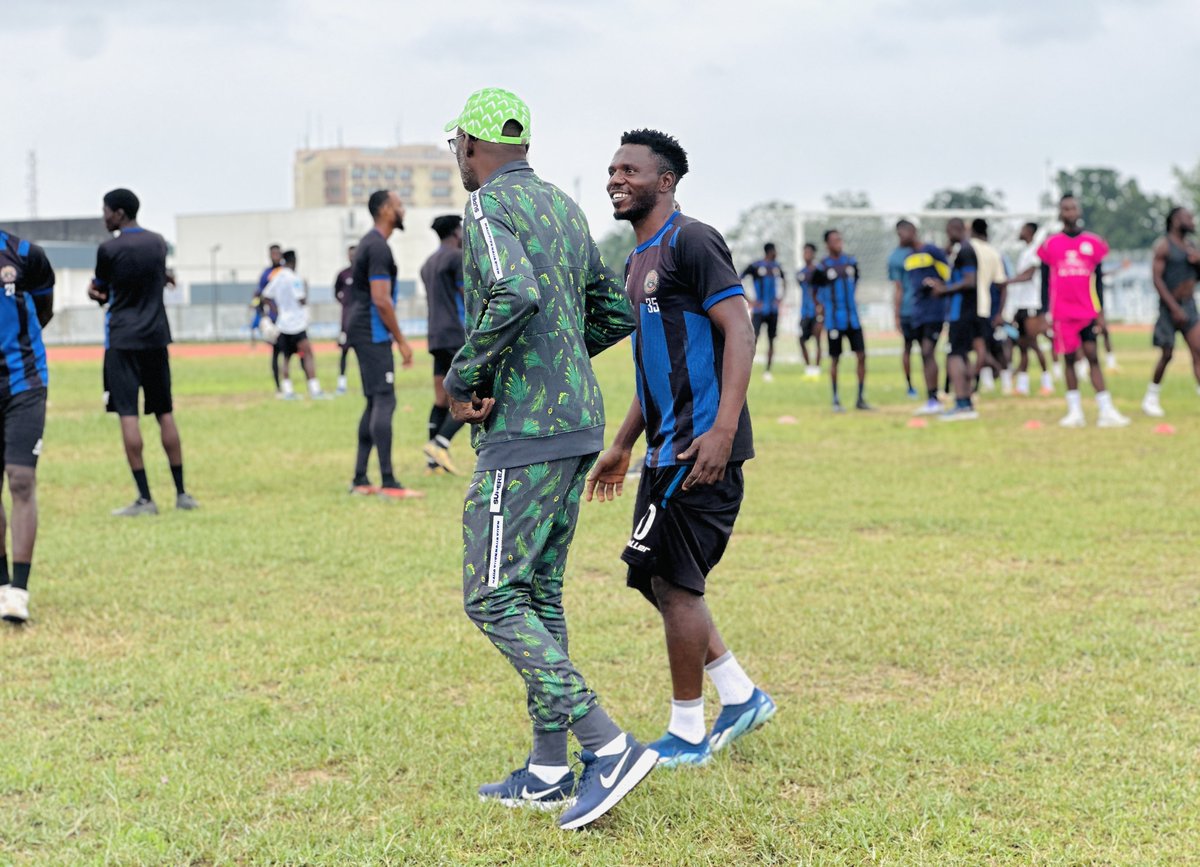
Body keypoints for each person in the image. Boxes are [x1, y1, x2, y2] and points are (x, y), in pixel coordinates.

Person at [443, 88, 649, 831]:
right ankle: (549, 769)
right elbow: (613, 310)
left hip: (524, 432)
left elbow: (513, 290)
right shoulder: (562, 206)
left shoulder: (485, 207)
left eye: (456, 147)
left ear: (471, 144)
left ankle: (608, 745)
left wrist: (466, 375)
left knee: (493, 595)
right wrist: (554, 361)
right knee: (538, 594)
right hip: (578, 422)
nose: (458, 158)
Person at [589, 127, 774, 772]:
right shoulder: (636, 259)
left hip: (701, 448)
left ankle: (688, 733)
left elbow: (739, 331)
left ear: (665, 181)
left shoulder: (692, 240)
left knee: (674, 582)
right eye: (612, 170)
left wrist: (722, 431)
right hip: (663, 450)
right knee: (654, 576)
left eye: (630, 171)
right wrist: (622, 444)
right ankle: (740, 695)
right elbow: (653, 365)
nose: (616, 179)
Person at [89, 189, 198, 516]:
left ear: (119, 213)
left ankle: (145, 498)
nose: (104, 217)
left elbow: (101, 288)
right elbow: (158, 279)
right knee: (165, 412)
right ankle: (181, 494)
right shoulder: (158, 243)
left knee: (128, 414)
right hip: (155, 337)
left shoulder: (108, 249)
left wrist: (95, 294)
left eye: (106, 211)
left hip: (122, 339)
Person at [346, 190, 421, 497]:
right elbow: (381, 299)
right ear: (386, 210)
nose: (403, 210)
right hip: (372, 330)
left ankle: (360, 479)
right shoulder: (377, 246)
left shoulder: (371, 243)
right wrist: (401, 340)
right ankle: (388, 482)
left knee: (375, 401)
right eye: (399, 205)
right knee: (385, 400)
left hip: (363, 329)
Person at [1037, 195, 1130, 428]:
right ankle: (1074, 411)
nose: (1070, 212)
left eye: (1073, 208)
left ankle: (1106, 410)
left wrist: (1101, 311)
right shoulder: (1050, 244)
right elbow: (1044, 282)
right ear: (1060, 213)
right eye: (1065, 209)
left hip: (1087, 311)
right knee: (1069, 359)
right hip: (1062, 313)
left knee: (1092, 356)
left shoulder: (1093, 242)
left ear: (1079, 211)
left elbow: (1098, 282)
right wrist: (1044, 313)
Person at [0, 231, 55, 623]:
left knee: (20, 479)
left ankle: (19, 591)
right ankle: (2, 584)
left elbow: (44, 308)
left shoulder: (24, 254)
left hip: (24, 381)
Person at [421, 215, 467, 475]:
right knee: (472, 395)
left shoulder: (427, 263)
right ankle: (440, 443)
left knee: (440, 399)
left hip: (435, 337)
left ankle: (433, 462)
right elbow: (466, 296)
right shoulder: (456, 258)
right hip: (455, 335)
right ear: (455, 232)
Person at [1143, 206, 1200, 417]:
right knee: (1167, 354)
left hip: (1189, 306)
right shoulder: (1164, 246)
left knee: (1198, 350)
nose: (1192, 221)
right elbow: (1157, 280)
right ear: (1176, 220)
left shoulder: (1191, 246)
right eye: (1188, 217)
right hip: (1169, 308)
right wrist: (1174, 308)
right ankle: (1151, 397)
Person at [926, 218, 980, 421]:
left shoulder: (965, 251)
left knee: (954, 356)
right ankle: (966, 402)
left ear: (952, 230)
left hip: (961, 312)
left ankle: (962, 403)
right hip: (964, 312)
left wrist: (944, 290)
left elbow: (969, 281)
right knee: (962, 355)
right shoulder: (961, 250)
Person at [812, 230, 870, 412]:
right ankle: (836, 399)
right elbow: (813, 290)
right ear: (827, 244)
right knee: (835, 359)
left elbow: (855, 282)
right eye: (835, 240)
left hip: (853, 319)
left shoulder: (851, 262)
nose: (839, 242)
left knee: (862, 356)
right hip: (834, 321)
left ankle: (860, 398)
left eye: (840, 239)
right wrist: (821, 308)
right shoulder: (822, 267)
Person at [261, 250, 326, 400]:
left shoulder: (277, 277)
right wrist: (306, 289)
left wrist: (276, 310)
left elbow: (265, 296)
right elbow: (301, 300)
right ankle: (314, 389)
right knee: (307, 354)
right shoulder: (295, 278)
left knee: (286, 357)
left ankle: (288, 390)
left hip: (283, 323)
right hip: (297, 324)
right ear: (294, 261)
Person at [902, 222, 951, 415]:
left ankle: (936, 397)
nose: (900, 238)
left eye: (902, 233)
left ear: (913, 231)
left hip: (935, 311)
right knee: (924, 354)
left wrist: (939, 284)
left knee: (928, 350)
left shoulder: (932, 251)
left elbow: (948, 275)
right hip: (918, 312)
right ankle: (932, 398)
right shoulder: (908, 258)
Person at [1004, 222, 1054, 396]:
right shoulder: (1025, 251)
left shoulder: (1035, 251)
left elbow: (1029, 274)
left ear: (1030, 232)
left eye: (1023, 229)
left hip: (1032, 304)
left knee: (1034, 343)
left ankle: (1047, 382)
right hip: (1021, 304)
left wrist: (1007, 281)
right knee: (1023, 346)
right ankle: (1022, 386)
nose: (1020, 232)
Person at [969, 219, 1008, 394]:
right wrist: (1000, 312)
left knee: (979, 346)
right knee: (990, 346)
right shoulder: (994, 253)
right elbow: (1002, 284)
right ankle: (994, 379)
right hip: (988, 308)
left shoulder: (966, 249)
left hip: (971, 308)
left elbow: (1001, 284)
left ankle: (991, 376)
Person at [742, 243, 785, 381]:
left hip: (773, 310)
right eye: (775, 251)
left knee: (771, 340)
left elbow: (785, 282)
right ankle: (746, 368)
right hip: (759, 310)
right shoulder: (755, 266)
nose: (776, 253)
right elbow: (738, 279)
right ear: (770, 251)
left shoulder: (777, 267)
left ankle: (768, 371)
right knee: (753, 339)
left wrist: (780, 298)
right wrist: (750, 300)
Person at [889, 221, 918, 398]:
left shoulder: (923, 251)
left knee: (928, 349)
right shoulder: (895, 257)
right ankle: (910, 386)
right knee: (907, 347)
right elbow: (898, 287)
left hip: (925, 310)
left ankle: (933, 388)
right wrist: (897, 315)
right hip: (907, 310)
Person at [796, 243, 822, 377]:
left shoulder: (819, 271)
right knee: (801, 339)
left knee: (818, 339)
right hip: (804, 312)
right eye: (804, 252)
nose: (806, 255)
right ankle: (808, 367)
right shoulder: (800, 273)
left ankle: (817, 367)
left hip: (816, 311)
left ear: (813, 254)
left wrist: (821, 307)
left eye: (808, 252)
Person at [333, 245, 356, 396]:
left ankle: (366, 381)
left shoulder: (364, 272)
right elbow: (336, 292)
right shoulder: (343, 274)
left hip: (361, 321)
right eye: (350, 254)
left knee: (363, 353)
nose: (352, 257)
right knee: (344, 351)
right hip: (346, 321)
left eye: (355, 254)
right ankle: (341, 383)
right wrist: (344, 303)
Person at [250, 243, 281, 347]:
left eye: (277, 253)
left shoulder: (285, 271)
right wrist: (258, 308)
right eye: (273, 254)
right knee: (274, 342)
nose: (275, 256)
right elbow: (258, 294)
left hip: (285, 312)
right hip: (272, 314)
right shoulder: (266, 273)